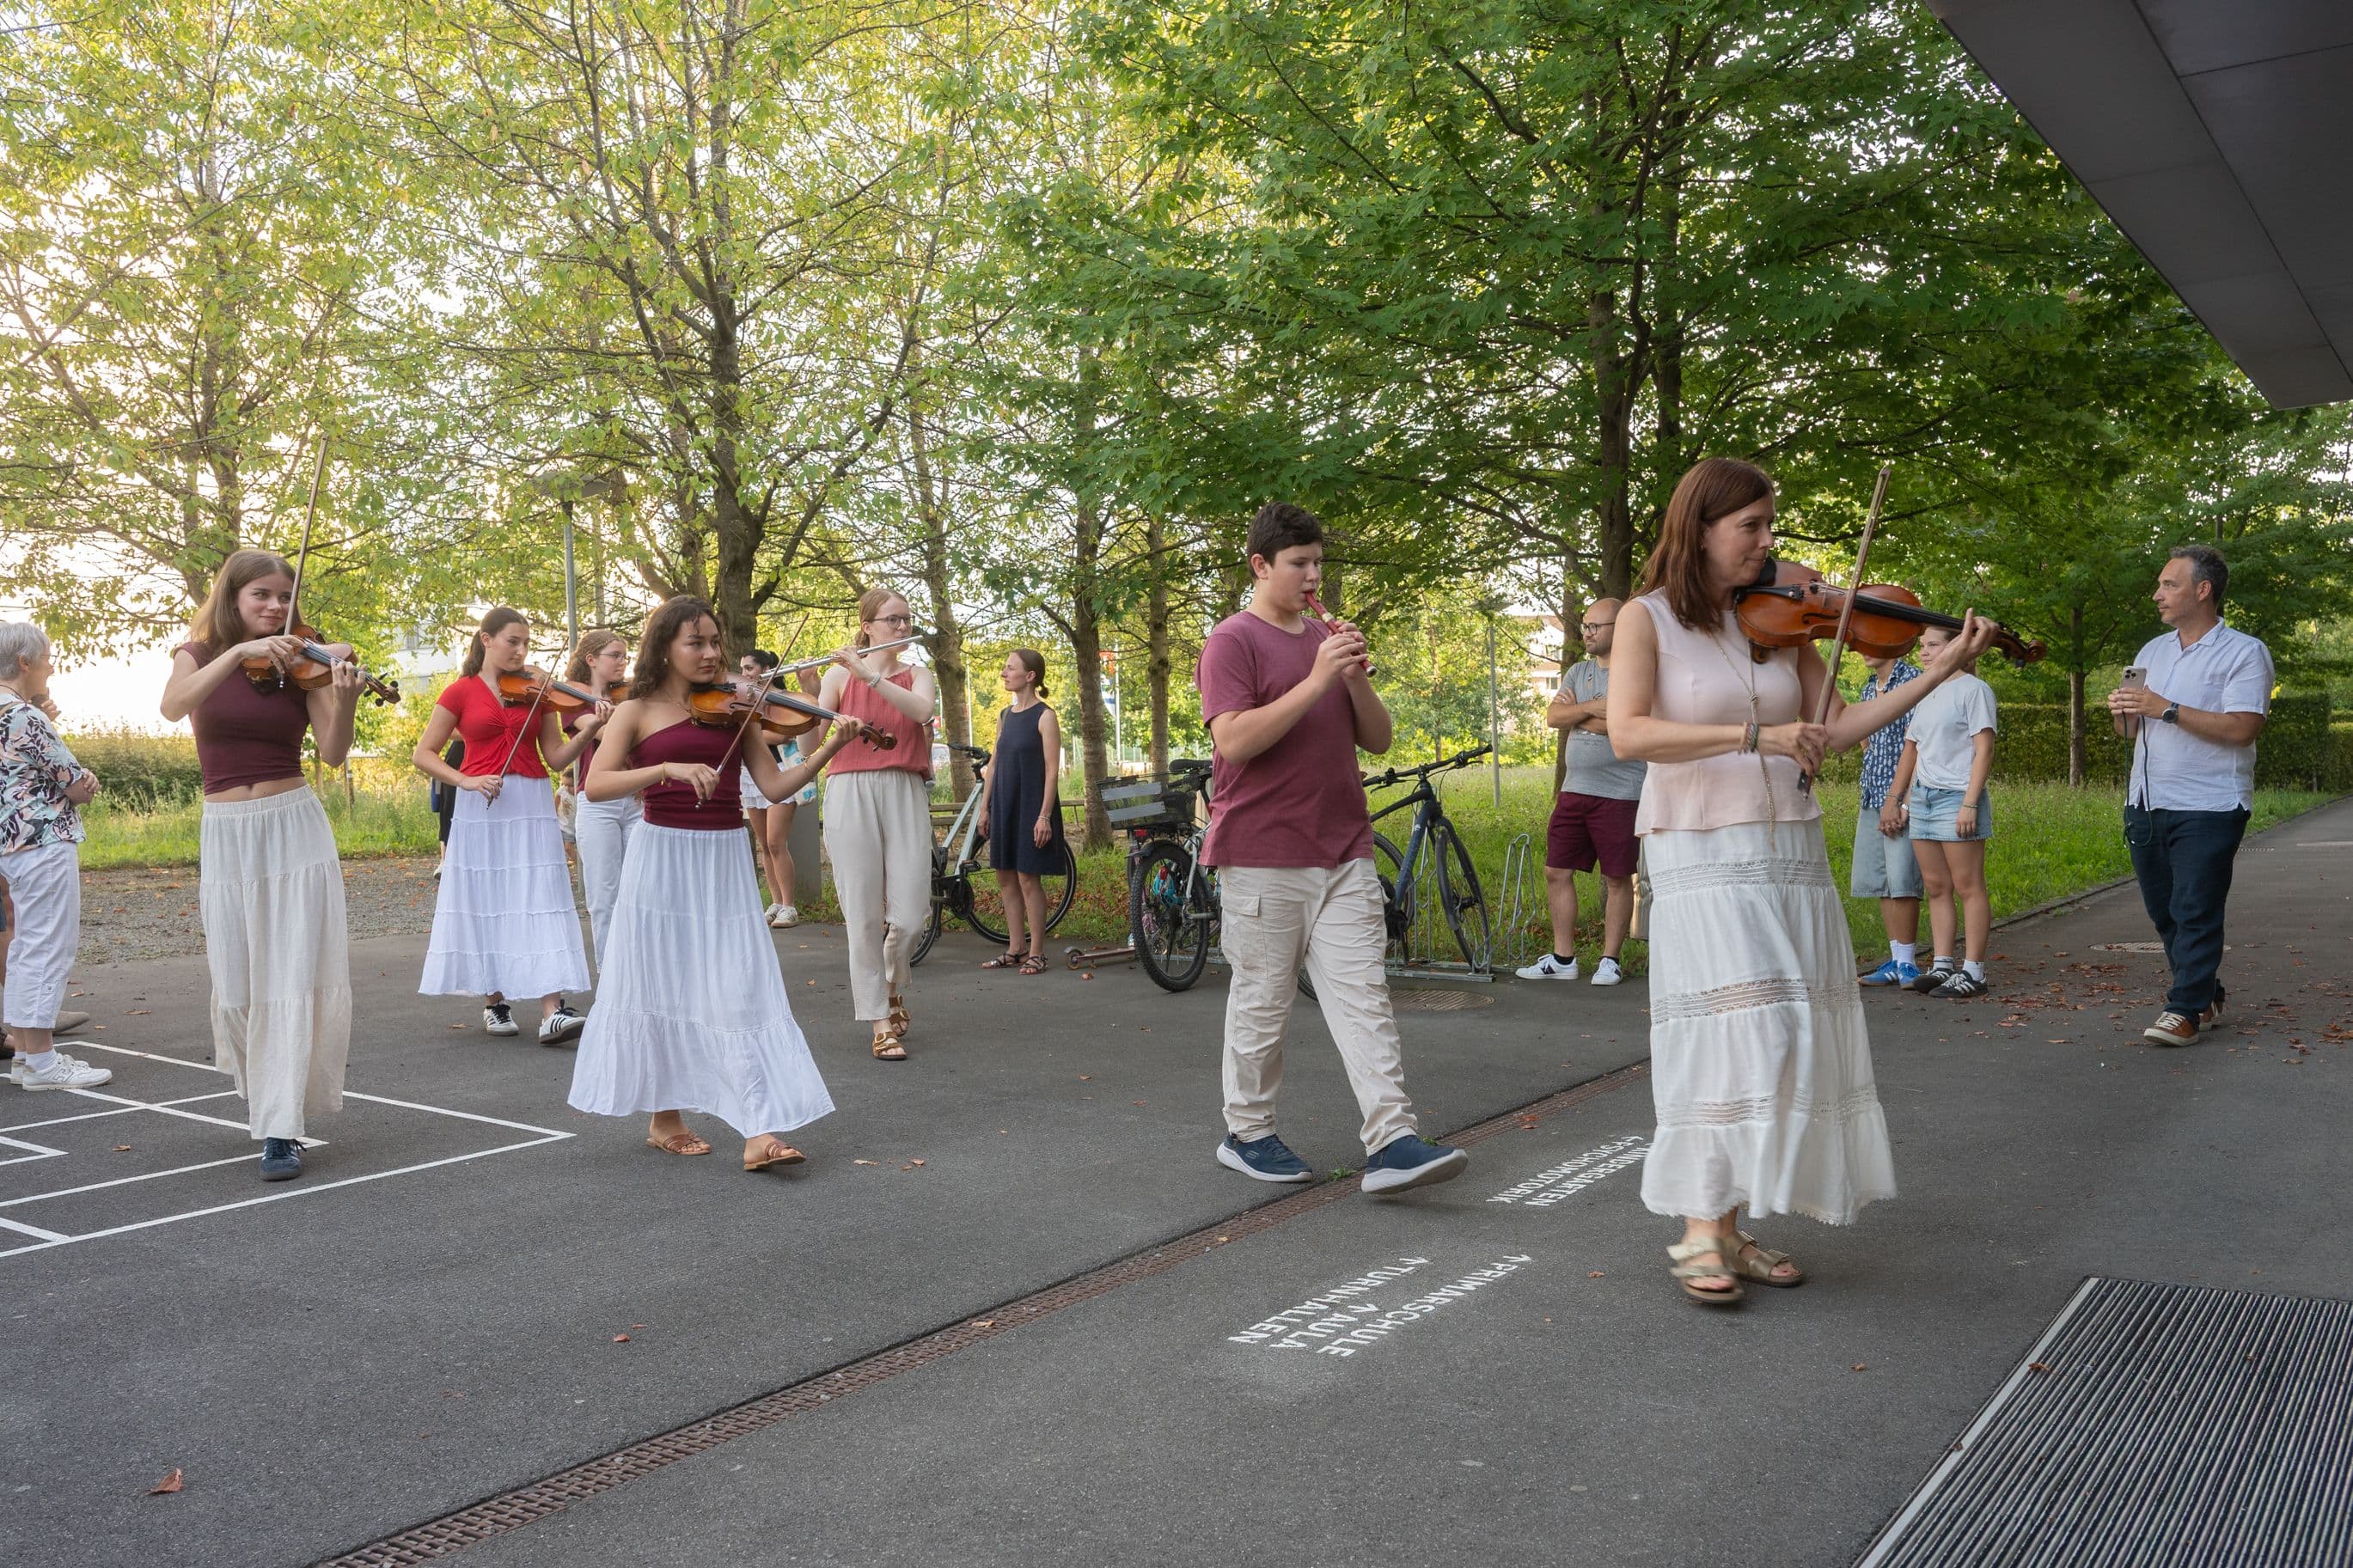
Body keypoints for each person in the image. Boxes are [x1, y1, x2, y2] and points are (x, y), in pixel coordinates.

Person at [1607, 457, 1996, 1304]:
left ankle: (1730, 1224)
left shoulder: (1774, 624)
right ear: (1698, 528)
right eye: (1749, 526)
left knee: (1788, 1037)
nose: (1767, 541)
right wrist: (1756, 735)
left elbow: (1835, 727)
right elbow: (1630, 732)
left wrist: (1934, 671)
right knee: (1745, 1029)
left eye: (1767, 524)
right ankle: (1698, 1230)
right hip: (1701, 847)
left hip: (1785, 843)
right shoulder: (1646, 621)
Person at [1197, 502, 1469, 1195]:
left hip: (1343, 846)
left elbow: (1376, 739)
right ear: (1261, 565)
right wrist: (1317, 676)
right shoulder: (1232, 641)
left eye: (1319, 561)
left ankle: (1393, 1139)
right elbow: (1232, 741)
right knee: (1263, 1001)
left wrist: (1351, 676)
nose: (1315, 575)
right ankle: (1248, 1132)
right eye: (1300, 564)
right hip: (1261, 851)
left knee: (1365, 995)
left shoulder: (1326, 637)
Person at [569, 596, 857, 1168]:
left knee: (740, 982)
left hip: (723, 857)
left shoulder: (738, 710)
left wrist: (832, 745)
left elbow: (775, 787)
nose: (709, 653)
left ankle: (758, 1127)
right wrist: (665, 769)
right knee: (661, 982)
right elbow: (596, 785)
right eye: (694, 643)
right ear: (666, 648)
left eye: (714, 642)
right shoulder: (637, 709)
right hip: (661, 856)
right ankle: (664, 1116)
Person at [156, 551, 365, 1181]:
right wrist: (235, 654)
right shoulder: (196, 655)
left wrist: (344, 694)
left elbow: (332, 751)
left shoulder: (308, 661)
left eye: (284, 597)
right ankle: (267, 1092)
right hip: (227, 832)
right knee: (240, 982)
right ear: (234, 598)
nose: (276, 607)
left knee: (292, 973)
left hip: (293, 826)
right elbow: (172, 706)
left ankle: (281, 1125)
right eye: (262, 596)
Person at [413, 607, 603, 1044]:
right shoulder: (459, 692)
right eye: (512, 641)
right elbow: (424, 753)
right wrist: (466, 779)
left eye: (526, 643)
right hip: (480, 806)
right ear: (486, 640)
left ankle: (552, 1009)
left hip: (532, 802)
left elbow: (555, 757)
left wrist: (588, 731)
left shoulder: (539, 692)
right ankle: (494, 1000)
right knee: (487, 898)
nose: (521, 651)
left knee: (540, 897)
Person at [2106, 545, 2271, 1047]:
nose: (2157, 594)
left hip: (2211, 802)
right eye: (2159, 585)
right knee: (2165, 912)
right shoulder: (2150, 652)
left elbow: (2243, 728)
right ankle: (2206, 990)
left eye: (2169, 585)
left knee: (2195, 906)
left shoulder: (2245, 652)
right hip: (2147, 801)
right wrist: (2124, 711)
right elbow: (2130, 732)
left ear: (2203, 590)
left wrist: (2164, 707)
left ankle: (2184, 1011)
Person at [813, 589, 935, 1061]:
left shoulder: (917, 674)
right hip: (849, 789)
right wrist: (805, 704)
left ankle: (890, 977)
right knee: (862, 912)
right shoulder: (838, 674)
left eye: (906, 620)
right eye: (893, 620)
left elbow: (921, 712)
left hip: (904, 787)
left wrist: (868, 674)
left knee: (910, 915)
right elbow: (810, 745)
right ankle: (878, 1019)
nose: (903, 628)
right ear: (867, 625)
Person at [0, 623, 109, 1093]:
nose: (51, 666)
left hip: (11, 844)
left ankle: (26, 1054)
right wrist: (88, 780)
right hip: (43, 840)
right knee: (46, 948)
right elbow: (73, 782)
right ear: (24, 662)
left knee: (26, 947)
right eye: (47, 657)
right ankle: (43, 1063)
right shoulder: (26, 715)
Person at [1518, 599, 1643, 985]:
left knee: (1618, 878)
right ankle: (1563, 959)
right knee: (1556, 870)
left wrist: (1585, 716)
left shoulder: (1636, 670)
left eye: (1595, 626)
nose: (1586, 632)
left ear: (1619, 630)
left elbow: (1626, 727)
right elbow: (1555, 717)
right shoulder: (1577, 672)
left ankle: (1610, 960)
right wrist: (1596, 708)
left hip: (1622, 792)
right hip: (1575, 791)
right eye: (1585, 625)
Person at [1889, 622, 1997, 1000]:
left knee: (1969, 886)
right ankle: (1943, 965)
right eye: (1922, 646)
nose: (1923, 652)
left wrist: (1970, 802)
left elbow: (1983, 750)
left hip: (1956, 798)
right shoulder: (1927, 692)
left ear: (1958, 648)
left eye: (1933, 645)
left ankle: (1974, 972)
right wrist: (1899, 799)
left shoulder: (1975, 690)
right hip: (1923, 798)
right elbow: (1913, 749)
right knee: (1936, 887)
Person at [975, 648, 1065, 975]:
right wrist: (985, 809)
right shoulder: (1004, 716)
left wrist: (1044, 816)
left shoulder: (1045, 717)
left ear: (1030, 676)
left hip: (1032, 805)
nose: (1003, 672)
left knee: (1028, 877)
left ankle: (1037, 952)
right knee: (1005, 876)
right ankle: (1015, 949)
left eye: (1010, 668)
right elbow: (995, 765)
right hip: (1004, 804)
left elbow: (1052, 771)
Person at [1851, 643, 1926, 986]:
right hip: (1871, 794)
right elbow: (1866, 738)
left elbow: (1918, 744)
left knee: (1903, 880)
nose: (1864, 650)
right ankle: (1895, 959)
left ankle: (1909, 962)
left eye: (1872, 643)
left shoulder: (1913, 681)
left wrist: (1899, 799)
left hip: (1899, 797)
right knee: (1881, 880)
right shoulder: (1869, 687)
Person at [564, 629, 633, 966]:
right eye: (615, 656)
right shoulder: (573, 699)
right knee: (604, 897)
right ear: (591, 660)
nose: (623, 663)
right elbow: (606, 733)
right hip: (597, 802)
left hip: (637, 799)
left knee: (641, 891)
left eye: (625, 657)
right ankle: (610, 977)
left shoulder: (630, 697)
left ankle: (642, 972)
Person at [736, 648, 818, 929]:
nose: (745, 674)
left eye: (749, 668)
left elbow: (783, 734)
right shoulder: (745, 700)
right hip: (750, 774)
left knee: (775, 841)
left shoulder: (783, 700)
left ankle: (789, 905)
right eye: (743, 669)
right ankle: (775, 901)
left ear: (768, 668)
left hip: (781, 772)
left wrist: (751, 733)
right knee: (764, 845)